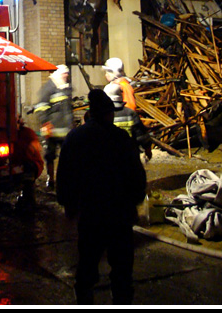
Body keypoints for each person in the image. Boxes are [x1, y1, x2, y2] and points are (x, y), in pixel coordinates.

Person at [56, 89, 147, 305]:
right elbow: (136, 174)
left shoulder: (75, 138)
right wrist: (136, 202)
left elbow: (65, 174)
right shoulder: (121, 138)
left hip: (90, 213)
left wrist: (68, 204)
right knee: (122, 269)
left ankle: (84, 299)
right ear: (107, 113)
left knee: (88, 263)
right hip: (119, 214)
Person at [32, 64, 73, 190]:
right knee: (50, 155)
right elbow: (41, 107)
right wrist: (45, 123)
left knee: (67, 156)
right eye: (64, 74)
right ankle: (51, 179)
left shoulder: (65, 88)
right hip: (52, 130)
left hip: (65, 130)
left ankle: (66, 179)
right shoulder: (48, 88)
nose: (66, 76)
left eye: (67, 74)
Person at [104, 82, 153, 162]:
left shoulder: (104, 115)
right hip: (130, 154)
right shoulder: (130, 113)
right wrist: (147, 149)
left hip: (110, 156)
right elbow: (140, 134)